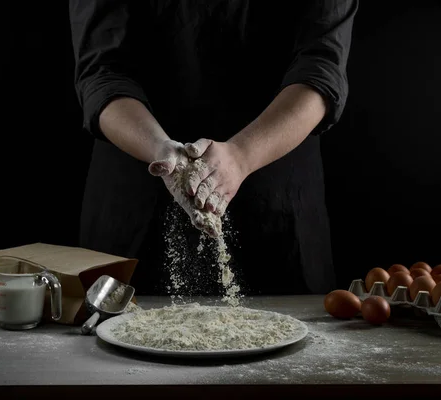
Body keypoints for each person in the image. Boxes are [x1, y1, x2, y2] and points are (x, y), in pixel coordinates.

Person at [69, 0, 358, 296]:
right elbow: (103, 71)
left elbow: (321, 67)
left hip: (278, 202)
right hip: (139, 186)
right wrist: (159, 148)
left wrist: (241, 156)